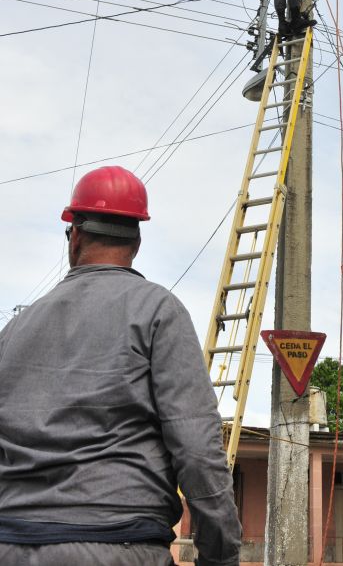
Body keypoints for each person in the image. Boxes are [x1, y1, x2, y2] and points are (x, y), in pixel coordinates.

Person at [0, 166, 241, 566]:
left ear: (74, 235)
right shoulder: (158, 311)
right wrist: (220, 554)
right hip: (119, 546)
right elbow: (197, 450)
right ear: (137, 241)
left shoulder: (13, 331)